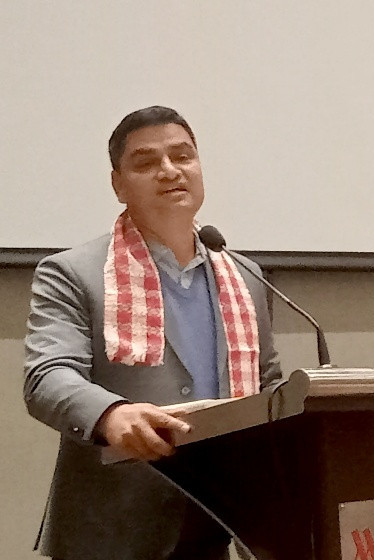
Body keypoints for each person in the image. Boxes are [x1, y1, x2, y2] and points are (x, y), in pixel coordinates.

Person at [23, 106, 282, 560]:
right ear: (118, 185)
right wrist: (110, 415)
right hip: (113, 532)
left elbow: (267, 384)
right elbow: (47, 376)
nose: (169, 171)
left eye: (183, 156)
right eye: (146, 162)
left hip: (218, 522)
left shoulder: (245, 276)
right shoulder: (72, 273)